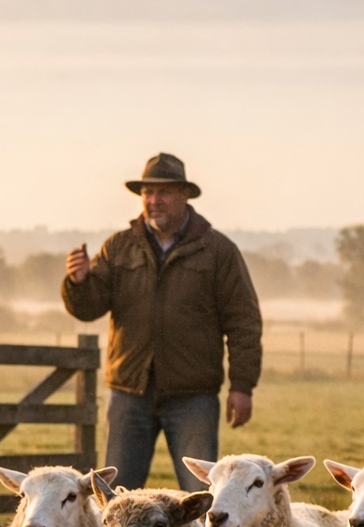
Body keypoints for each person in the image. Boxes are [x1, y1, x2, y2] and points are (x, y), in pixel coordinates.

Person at [62, 152, 263, 492]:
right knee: (116, 497)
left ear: (185, 195)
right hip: (129, 393)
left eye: (164, 192)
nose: (154, 201)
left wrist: (242, 386)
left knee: (200, 497)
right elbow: (88, 308)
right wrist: (78, 282)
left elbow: (243, 322)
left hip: (193, 396)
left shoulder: (217, 250)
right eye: (147, 193)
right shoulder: (119, 247)